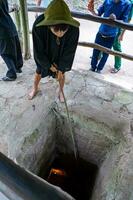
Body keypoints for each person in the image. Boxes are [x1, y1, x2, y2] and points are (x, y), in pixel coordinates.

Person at [28, 0, 80, 102]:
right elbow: (38, 51)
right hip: (46, 52)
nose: (60, 34)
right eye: (56, 30)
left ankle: (61, 91)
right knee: (39, 71)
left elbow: (69, 52)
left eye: (64, 30)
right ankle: (35, 88)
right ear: (49, 25)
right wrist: (49, 66)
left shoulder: (73, 29)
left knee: (62, 74)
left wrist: (61, 68)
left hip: (61, 54)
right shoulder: (39, 26)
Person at [88, 0, 131, 74]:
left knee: (106, 53)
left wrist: (115, 20)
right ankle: (92, 67)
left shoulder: (127, 4)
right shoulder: (107, 1)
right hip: (101, 32)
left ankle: (99, 69)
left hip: (112, 35)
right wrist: (92, 11)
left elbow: (125, 22)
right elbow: (98, 14)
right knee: (95, 51)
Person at [0, 0, 23, 81]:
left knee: (4, 53)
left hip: (2, 28)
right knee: (15, 48)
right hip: (10, 24)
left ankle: (11, 74)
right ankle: (18, 67)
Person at [111, 0, 133, 73]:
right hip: (110, 23)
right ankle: (99, 56)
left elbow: (127, 20)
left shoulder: (130, 3)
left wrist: (122, 34)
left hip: (118, 27)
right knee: (105, 39)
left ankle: (117, 66)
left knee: (116, 46)